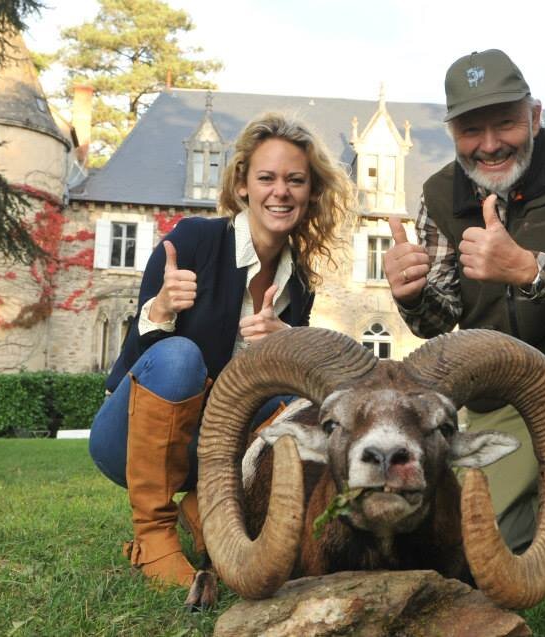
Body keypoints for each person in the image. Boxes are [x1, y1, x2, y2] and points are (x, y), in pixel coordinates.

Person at [385, 49, 545, 588]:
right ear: (452, 132)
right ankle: (540, 510)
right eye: (470, 129)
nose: (489, 144)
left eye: (504, 122)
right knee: (490, 544)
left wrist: (524, 267)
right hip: (503, 381)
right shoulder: (438, 194)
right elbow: (439, 319)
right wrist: (410, 293)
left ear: (533, 117)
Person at [88, 113, 354, 592]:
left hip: (213, 455)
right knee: (179, 356)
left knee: (302, 400)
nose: (281, 191)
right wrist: (161, 310)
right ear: (243, 185)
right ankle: (152, 533)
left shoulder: (299, 282)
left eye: (295, 180)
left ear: (311, 191)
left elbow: (291, 404)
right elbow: (134, 363)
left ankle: (202, 507)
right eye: (267, 178)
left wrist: (287, 346)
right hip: (127, 440)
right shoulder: (192, 241)